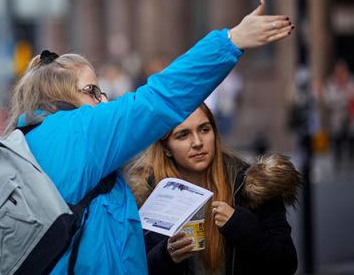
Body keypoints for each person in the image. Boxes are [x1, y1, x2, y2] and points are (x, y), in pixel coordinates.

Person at [3, 0, 293, 274]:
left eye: (204, 129)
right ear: (61, 96)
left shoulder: (24, 142)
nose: (104, 101)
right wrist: (231, 40)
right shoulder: (81, 133)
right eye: (92, 91)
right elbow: (158, 98)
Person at [127, 103, 301, 275]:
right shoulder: (148, 198)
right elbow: (131, 269)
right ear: (166, 148)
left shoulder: (253, 186)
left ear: (215, 133)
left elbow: (286, 264)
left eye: (204, 129)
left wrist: (240, 225)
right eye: (183, 135)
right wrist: (165, 256)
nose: (197, 142)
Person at [323, 60, 354, 172]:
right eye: (339, 71)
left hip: (351, 117)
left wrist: (353, 95)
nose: (341, 73)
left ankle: (352, 163)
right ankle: (337, 164)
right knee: (338, 140)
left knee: (352, 139)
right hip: (337, 117)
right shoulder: (331, 82)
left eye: (343, 71)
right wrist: (345, 98)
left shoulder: (353, 81)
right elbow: (328, 100)